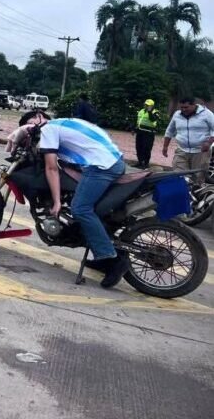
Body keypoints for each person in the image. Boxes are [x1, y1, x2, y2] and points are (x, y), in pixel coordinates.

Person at [22, 110, 129, 288]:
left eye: (33, 122)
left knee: (80, 209)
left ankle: (113, 260)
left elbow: (51, 168)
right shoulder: (62, 123)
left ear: (42, 119)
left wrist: (56, 202)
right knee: (89, 208)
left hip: (102, 166)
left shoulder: (48, 130)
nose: (32, 126)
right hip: (111, 160)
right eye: (29, 125)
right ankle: (101, 254)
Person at [162, 97, 214, 186]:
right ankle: (181, 197)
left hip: (200, 152)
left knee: (197, 179)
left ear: (194, 105)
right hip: (182, 150)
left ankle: (195, 197)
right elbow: (170, 131)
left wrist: (208, 143)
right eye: (181, 107)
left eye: (186, 107)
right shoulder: (177, 115)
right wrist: (165, 146)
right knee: (179, 176)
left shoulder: (207, 114)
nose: (183, 109)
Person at [134, 98, 161, 169]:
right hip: (140, 132)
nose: (146, 106)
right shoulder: (141, 111)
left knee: (146, 148)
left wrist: (149, 112)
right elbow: (138, 121)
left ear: (152, 106)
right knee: (138, 147)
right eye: (145, 104)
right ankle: (140, 162)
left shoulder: (156, 112)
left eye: (148, 105)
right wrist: (134, 129)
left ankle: (146, 163)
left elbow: (153, 119)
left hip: (149, 133)